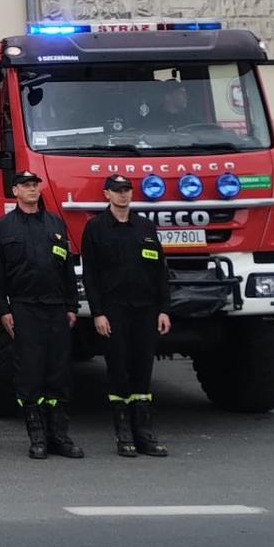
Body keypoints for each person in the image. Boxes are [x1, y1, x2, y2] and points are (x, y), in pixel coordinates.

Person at [0, 171, 85, 460]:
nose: (32, 190)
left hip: (56, 307)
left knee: (58, 372)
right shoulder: (5, 227)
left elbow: (66, 269)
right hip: (24, 306)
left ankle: (60, 436)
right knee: (30, 372)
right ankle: (38, 437)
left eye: (35, 186)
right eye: (26, 186)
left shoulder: (55, 223)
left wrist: (72, 305)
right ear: (15, 191)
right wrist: (4, 310)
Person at [81, 174, 174, 458]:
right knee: (118, 368)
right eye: (117, 191)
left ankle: (144, 433)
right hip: (114, 310)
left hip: (145, 310)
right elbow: (91, 275)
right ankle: (123, 434)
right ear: (107, 194)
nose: (123, 195)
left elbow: (159, 271)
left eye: (127, 190)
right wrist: (98, 313)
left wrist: (164, 309)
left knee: (142, 369)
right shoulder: (95, 228)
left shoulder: (144, 227)